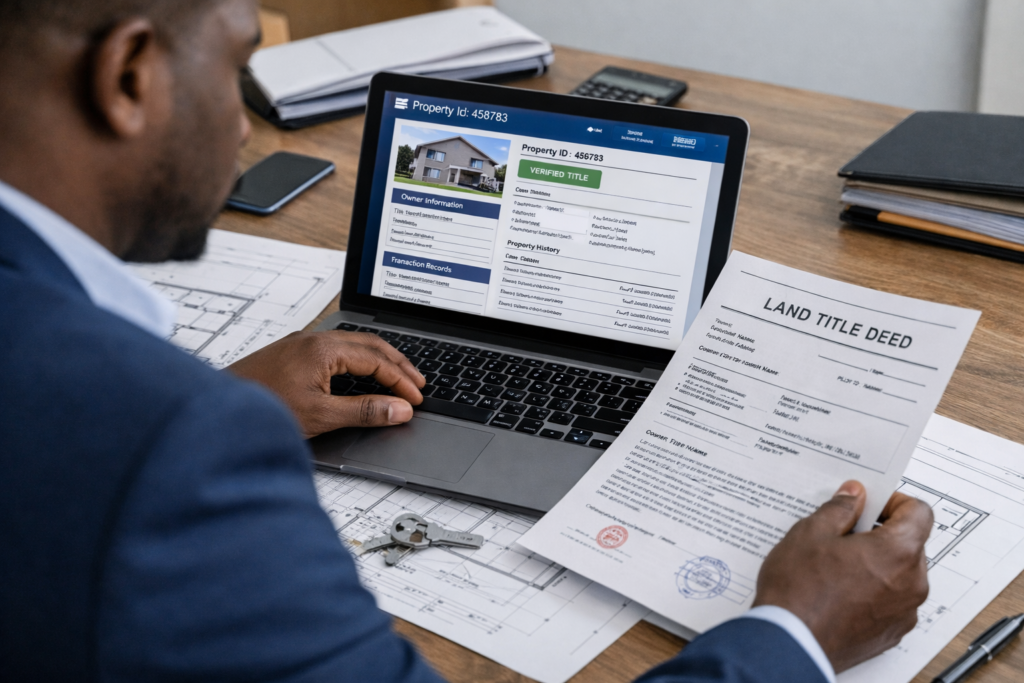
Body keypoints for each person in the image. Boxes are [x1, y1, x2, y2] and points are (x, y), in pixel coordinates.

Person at [0, 1, 933, 681]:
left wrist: (228, 403)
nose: (245, 124)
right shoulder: (166, 448)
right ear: (129, 75)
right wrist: (798, 632)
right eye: (236, 65)